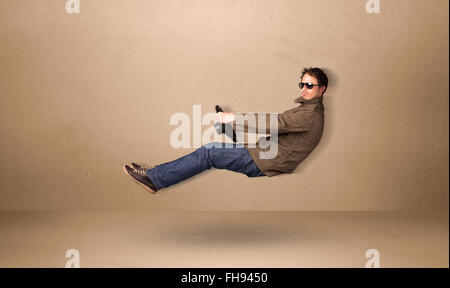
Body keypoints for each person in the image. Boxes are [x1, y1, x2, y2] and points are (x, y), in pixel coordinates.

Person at [123, 67, 328, 193]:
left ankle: (154, 179)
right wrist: (232, 126)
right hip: (264, 153)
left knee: (210, 152)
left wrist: (234, 118)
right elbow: (280, 131)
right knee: (217, 141)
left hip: (266, 159)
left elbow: (275, 122)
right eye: (302, 84)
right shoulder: (307, 110)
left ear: (322, 88)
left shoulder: (310, 114)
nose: (303, 89)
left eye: (309, 85)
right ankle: (154, 174)